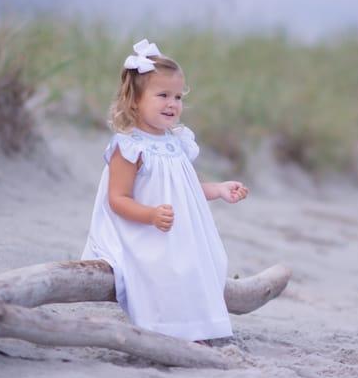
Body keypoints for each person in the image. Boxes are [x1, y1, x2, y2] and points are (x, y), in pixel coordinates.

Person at [81, 39, 249, 344]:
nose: (172, 103)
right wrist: (150, 215)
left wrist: (219, 189)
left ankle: (195, 327)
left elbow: (188, 189)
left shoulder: (177, 141)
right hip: (140, 230)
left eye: (177, 96)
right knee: (161, 271)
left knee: (196, 265)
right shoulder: (129, 146)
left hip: (175, 230)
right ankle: (163, 329)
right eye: (162, 95)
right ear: (134, 100)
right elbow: (117, 199)